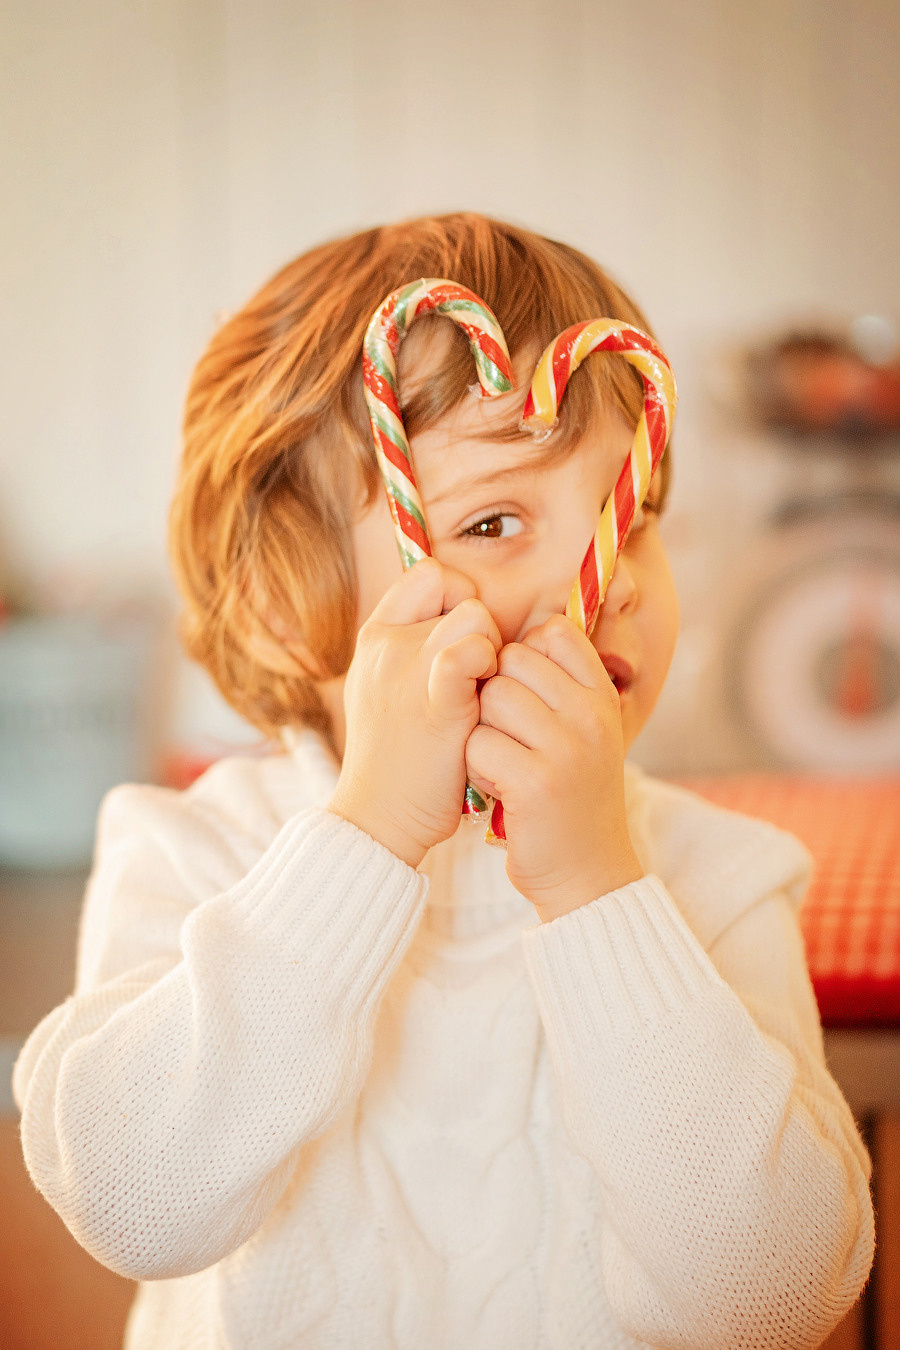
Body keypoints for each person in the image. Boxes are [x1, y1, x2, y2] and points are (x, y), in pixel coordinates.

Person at [14, 214, 873, 1349]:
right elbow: (133, 1199)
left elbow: (771, 1299)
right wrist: (365, 836)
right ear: (288, 603)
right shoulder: (192, 852)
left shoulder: (714, 878)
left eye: (635, 514)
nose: (603, 579)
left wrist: (601, 894)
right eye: (497, 520)